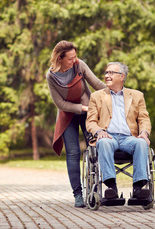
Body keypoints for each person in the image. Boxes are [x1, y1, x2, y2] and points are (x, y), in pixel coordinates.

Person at [46, 40, 106, 208]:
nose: (74, 60)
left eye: (75, 56)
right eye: (70, 58)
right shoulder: (51, 76)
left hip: (87, 111)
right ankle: (78, 194)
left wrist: (117, 93)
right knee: (72, 153)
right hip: (68, 114)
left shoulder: (79, 65)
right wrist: (82, 108)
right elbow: (60, 104)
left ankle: (97, 189)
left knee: (94, 147)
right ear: (59, 58)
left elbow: (97, 84)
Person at [86, 61, 152, 202]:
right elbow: (90, 121)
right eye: (106, 73)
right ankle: (111, 188)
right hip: (108, 137)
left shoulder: (137, 95)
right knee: (103, 142)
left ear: (122, 77)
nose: (106, 76)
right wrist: (98, 132)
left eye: (111, 73)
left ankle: (138, 189)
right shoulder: (96, 96)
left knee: (141, 143)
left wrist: (144, 133)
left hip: (129, 138)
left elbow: (144, 119)